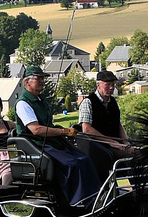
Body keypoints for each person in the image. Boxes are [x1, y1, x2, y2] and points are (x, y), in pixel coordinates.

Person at [14, 65, 98, 206]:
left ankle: (94, 196)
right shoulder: (23, 103)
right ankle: (77, 201)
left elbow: (48, 126)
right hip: (36, 145)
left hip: (50, 142)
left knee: (84, 159)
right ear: (27, 82)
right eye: (38, 78)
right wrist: (63, 132)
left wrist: (62, 130)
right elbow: (36, 130)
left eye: (42, 79)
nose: (42, 81)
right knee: (72, 164)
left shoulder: (41, 100)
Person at [78, 69, 133, 176]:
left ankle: (141, 189)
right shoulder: (88, 102)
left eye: (113, 85)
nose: (111, 88)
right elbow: (86, 129)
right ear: (98, 85)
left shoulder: (113, 102)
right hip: (99, 147)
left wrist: (125, 142)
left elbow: (118, 124)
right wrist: (111, 142)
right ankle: (136, 189)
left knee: (141, 154)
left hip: (116, 143)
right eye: (107, 85)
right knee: (131, 158)